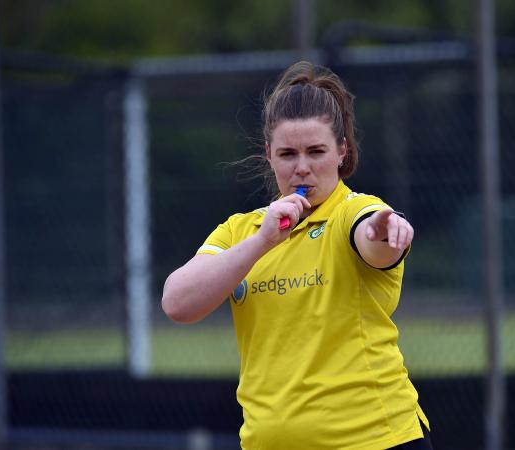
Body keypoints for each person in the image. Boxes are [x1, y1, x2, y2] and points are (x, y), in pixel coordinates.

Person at [162, 61, 433, 450]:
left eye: (316, 151)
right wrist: (263, 242)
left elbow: (371, 238)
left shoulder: (352, 212)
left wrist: (383, 233)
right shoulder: (243, 231)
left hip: (376, 440)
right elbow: (176, 303)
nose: (302, 168)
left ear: (342, 151)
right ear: (269, 154)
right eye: (288, 154)